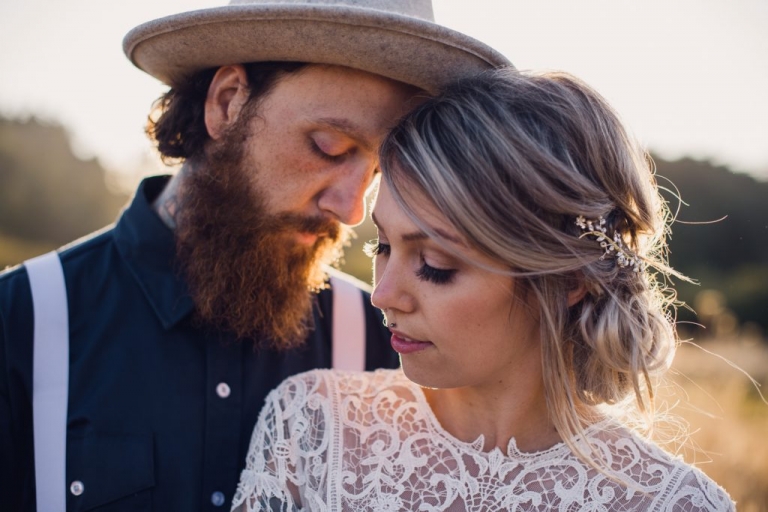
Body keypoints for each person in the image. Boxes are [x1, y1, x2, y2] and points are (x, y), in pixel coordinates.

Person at [0, 0, 509, 510]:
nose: (353, 209)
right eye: (329, 147)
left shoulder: (389, 348)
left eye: (377, 172)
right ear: (227, 102)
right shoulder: (21, 320)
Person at [231, 68, 735, 511]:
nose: (382, 295)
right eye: (381, 246)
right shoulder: (311, 428)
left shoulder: (675, 503)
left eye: (435, 265)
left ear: (570, 280)